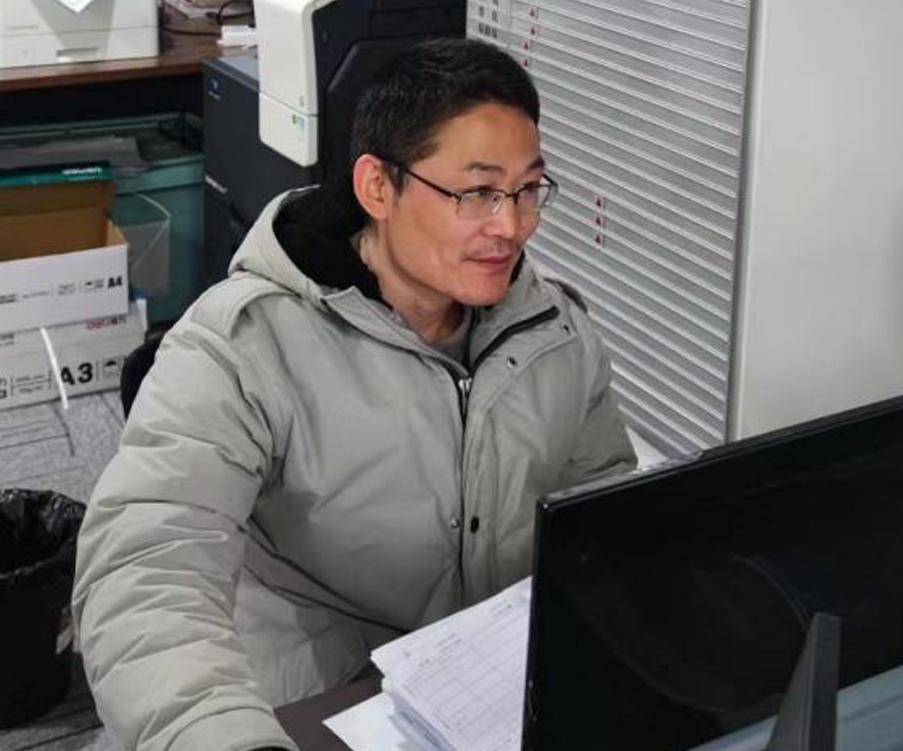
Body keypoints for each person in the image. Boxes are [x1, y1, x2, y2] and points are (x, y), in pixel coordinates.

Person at [72, 38, 636, 751]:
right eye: (478, 193)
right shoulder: (243, 343)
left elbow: (605, 521)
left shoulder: (556, 332)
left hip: (490, 694)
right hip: (306, 702)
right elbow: (146, 569)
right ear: (377, 188)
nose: (512, 225)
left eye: (528, 190)